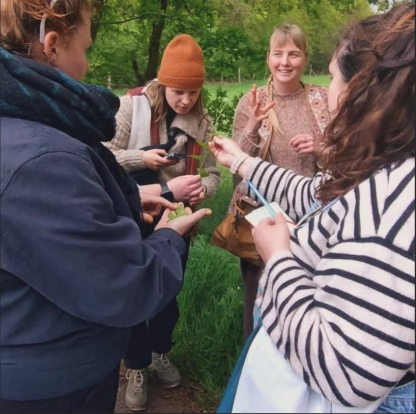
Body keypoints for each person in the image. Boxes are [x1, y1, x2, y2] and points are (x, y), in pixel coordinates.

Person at [0, 1, 211, 413]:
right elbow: (123, 286)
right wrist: (169, 236)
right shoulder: (46, 158)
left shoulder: (23, 128)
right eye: (87, 49)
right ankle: (136, 365)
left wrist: (131, 199)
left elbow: (52, 233)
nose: (88, 65)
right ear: (53, 45)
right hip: (53, 380)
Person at [210, 3, 415, 412]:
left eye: (336, 77)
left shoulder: (392, 210)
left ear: (366, 89)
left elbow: (345, 373)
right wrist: (241, 158)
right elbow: (314, 192)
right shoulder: (383, 164)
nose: (334, 91)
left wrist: (280, 258)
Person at [104, 34, 220, 411]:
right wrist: (143, 160)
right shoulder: (130, 106)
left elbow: (213, 174)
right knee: (134, 293)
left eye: (192, 92)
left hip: (178, 220)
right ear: (163, 81)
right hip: (131, 214)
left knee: (168, 294)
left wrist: (202, 187)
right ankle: (136, 364)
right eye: (177, 91)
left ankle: (159, 352)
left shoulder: (201, 122)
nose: (185, 99)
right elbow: (101, 158)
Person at [230, 24, 330, 339]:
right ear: (268, 58)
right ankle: (251, 366)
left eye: (293, 53)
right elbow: (236, 164)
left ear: (305, 58)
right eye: (278, 53)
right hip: (259, 216)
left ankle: (294, 362)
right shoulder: (252, 102)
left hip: (310, 218)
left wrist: (320, 147)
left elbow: (344, 162)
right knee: (256, 294)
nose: (285, 61)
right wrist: (253, 127)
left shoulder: (321, 99)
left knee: (305, 294)